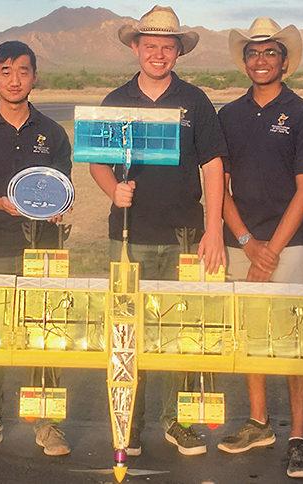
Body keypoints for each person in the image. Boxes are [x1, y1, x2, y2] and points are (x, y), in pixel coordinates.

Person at [91, 5, 228, 456]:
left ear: (178, 52)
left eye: (167, 47)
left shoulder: (195, 101)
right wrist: (113, 190)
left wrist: (213, 229)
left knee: (179, 329)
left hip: (184, 236)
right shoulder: (116, 101)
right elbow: (96, 161)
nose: (158, 54)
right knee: (129, 332)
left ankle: (176, 420)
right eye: (150, 45)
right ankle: (129, 421)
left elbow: (213, 165)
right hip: (128, 236)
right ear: (136, 48)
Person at [0, 41, 74, 457]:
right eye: (6, 71)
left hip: (45, 249)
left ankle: (47, 423)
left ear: (35, 76)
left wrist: (58, 208)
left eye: (23, 71)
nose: (15, 79)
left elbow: (62, 189)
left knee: (46, 334)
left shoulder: (53, 133)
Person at [214, 17, 303, 479]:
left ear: (285, 61)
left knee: (295, 342)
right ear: (244, 62)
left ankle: (297, 436)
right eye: (253, 53)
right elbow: (219, 187)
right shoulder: (228, 115)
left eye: (270, 52)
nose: (261, 60)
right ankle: (258, 423)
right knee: (250, 335)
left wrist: (270, 251)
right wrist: (246, 242)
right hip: (242, 243)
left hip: (290, 246)